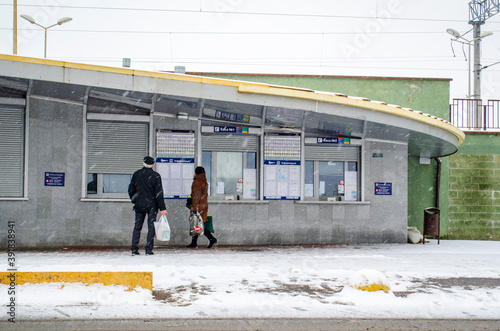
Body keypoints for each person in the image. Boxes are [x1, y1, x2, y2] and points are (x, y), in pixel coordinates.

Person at [128, 156, 167, 256]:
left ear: (143, 163)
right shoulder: (156, 176)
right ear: (153, 164)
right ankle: (149, 249)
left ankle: (134, 249)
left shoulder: (136, 174)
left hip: (139, 205)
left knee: (137, 227)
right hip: (152, 205)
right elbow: (159, 193)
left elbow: (131, 189)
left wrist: (135, 200)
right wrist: (162, 208)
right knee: (151, 227)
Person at [186, 166, 217, 249]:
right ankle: (194, 242)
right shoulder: (205, 182)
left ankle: (211, 239)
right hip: (203, 205)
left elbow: (196, 196)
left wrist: (194, 206)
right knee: (198, 223)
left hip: (198, 206)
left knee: (197, 223)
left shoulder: (197, 182)